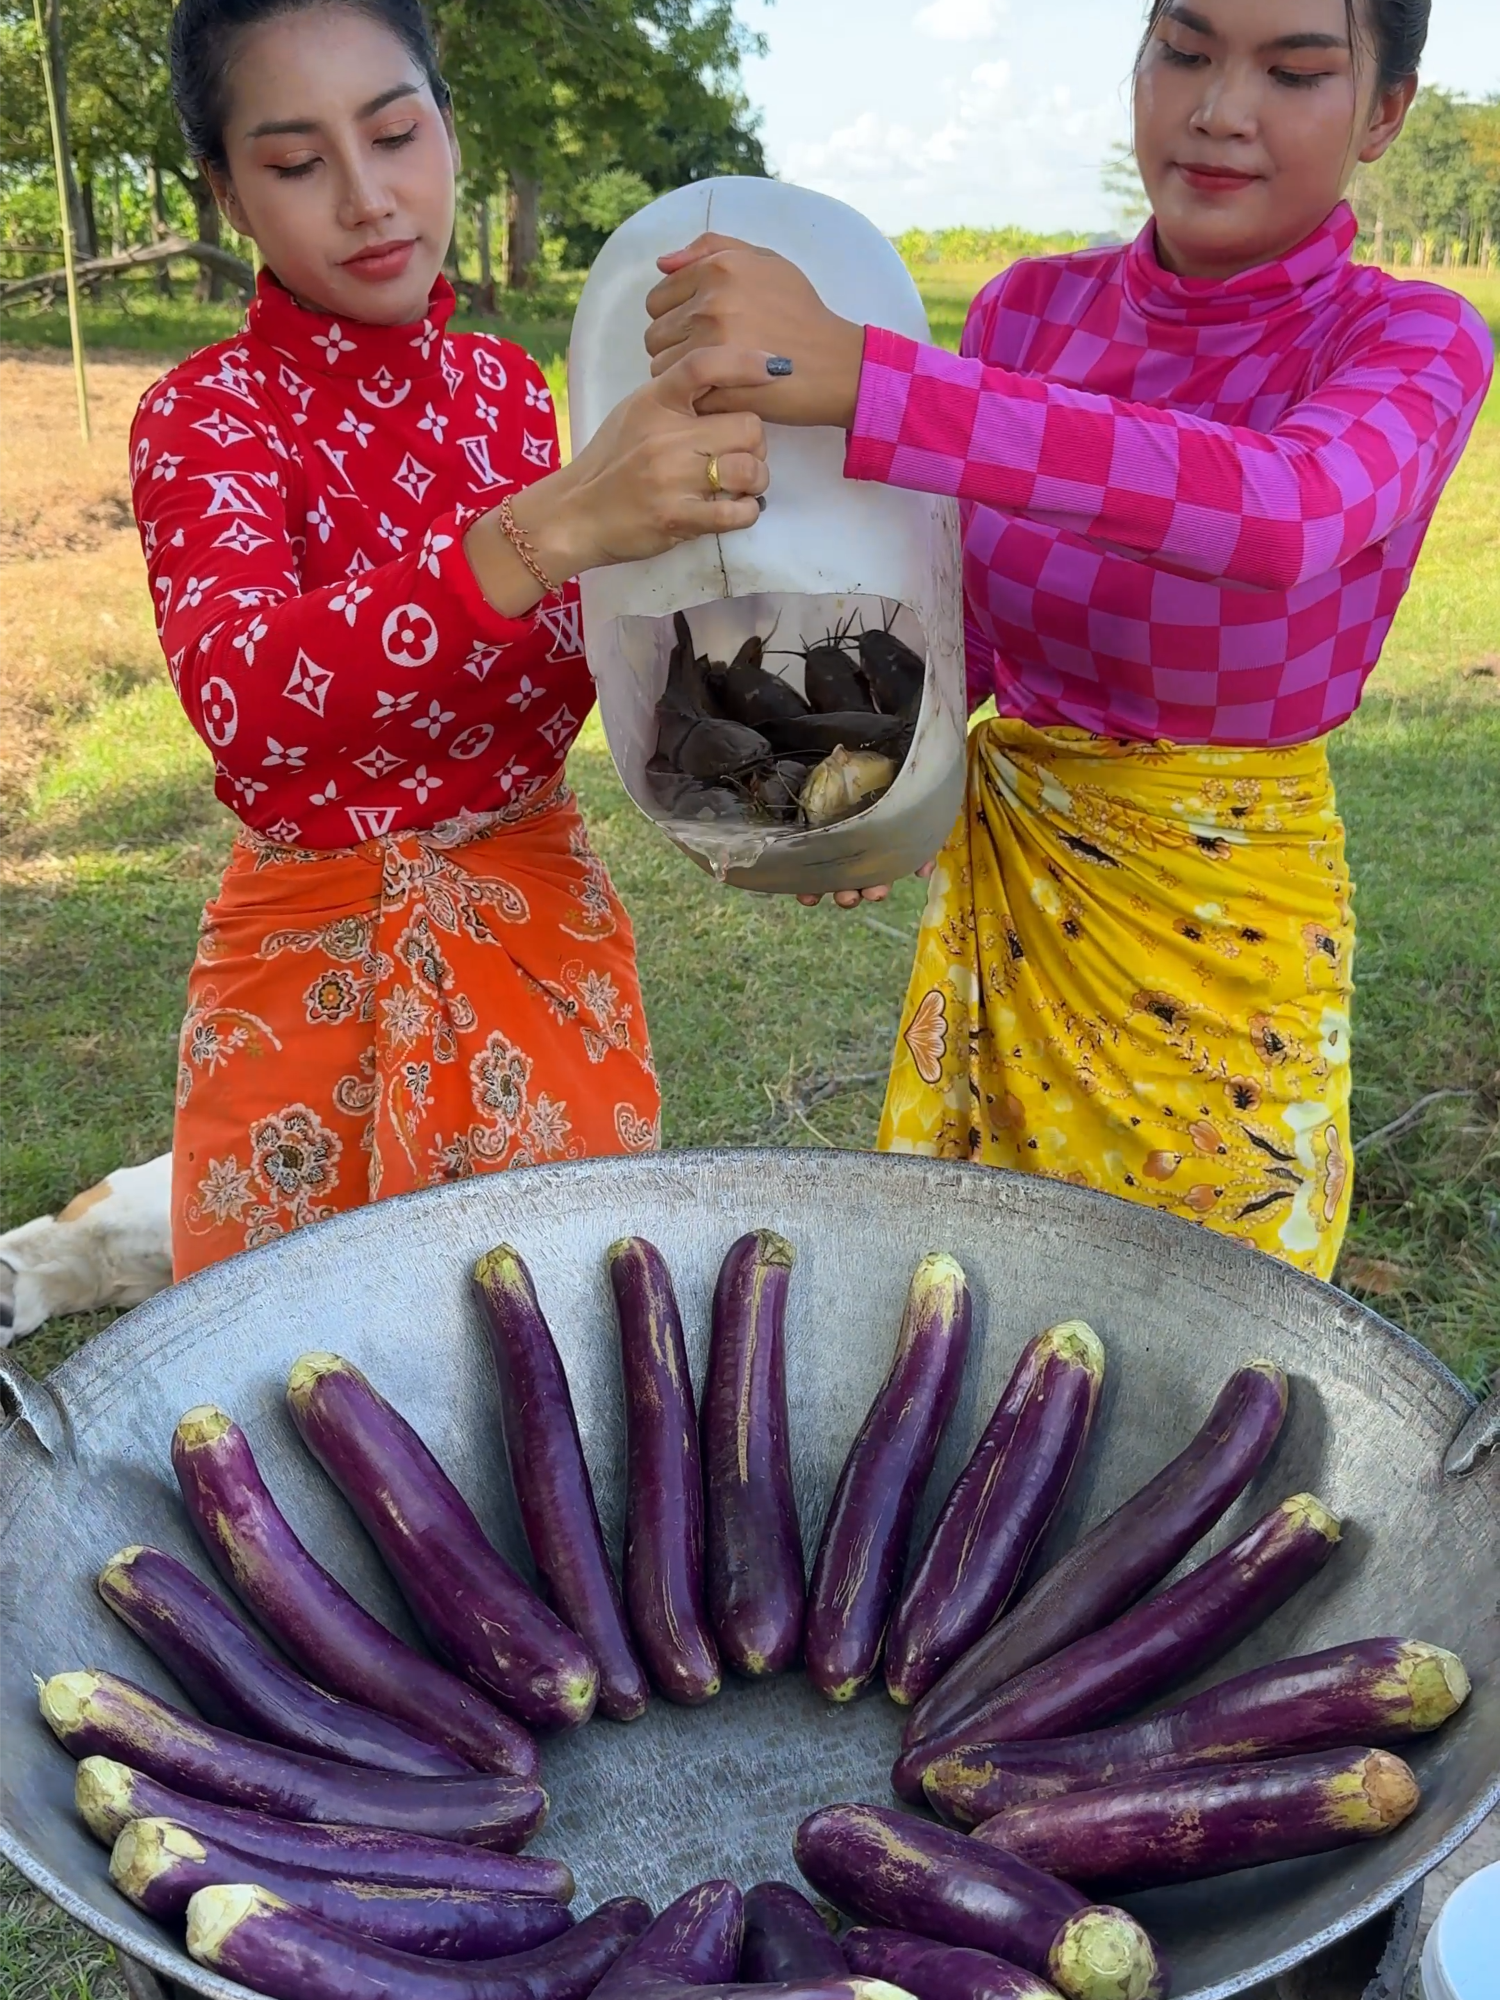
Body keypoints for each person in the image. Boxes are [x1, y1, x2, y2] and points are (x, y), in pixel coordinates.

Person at [643, 0, 1492, 1278]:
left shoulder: (1411, 340)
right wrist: (887, 790)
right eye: (1187, 51)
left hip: (1219, 936)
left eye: (1295, 70)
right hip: (1011, 892)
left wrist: (879, 382)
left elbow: (1283, 511)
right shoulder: (1031, 314)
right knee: (961, 1311)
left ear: (1385, 112)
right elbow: (967, 615)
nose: (1220, 109)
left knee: (1201, 1326)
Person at [133, 0, 776, 1277]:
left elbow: (628, 646)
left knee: (567, 1379)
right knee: (300, 1395)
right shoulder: (205, 415)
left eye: (393, 132)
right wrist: (532, 534)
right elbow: (245, 696)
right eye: (297, 162)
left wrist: (781, 801)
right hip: (305, 995)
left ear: (448, 128)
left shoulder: (503, 392)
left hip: (540, 952)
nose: (369, 198)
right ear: (224, 191)